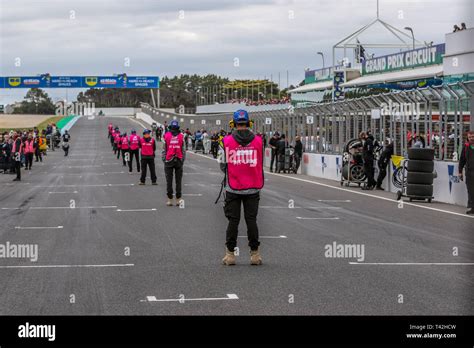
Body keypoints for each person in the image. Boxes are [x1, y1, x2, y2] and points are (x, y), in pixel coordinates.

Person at [219, 109, 264, 266]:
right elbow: (260, 161)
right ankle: (255, 255)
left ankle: (230, 255)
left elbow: (222, 165)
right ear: (249, 122)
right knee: (251, 220)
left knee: (233, 221)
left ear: (234, 123)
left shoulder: (226, 141)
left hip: (233, 187)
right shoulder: (259, 140)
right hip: (253, 186)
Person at [163, 120, 186, 206]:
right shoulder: (180, 135)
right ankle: (177, 199)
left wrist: (165, 160)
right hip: (175, 160)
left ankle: (171, 199)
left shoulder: (167, 135)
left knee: (170, 181)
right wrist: (182, 160)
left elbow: (164, 150)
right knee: (178, 181)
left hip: (171, 160)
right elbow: (184, 150)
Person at [459, 131, 474, 215]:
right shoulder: (466, 146)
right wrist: (460, 172)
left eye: (473, 136)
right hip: (469, 172)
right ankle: (472, 207)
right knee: (470, 190)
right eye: (470, 137)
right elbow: (462, 160)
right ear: (468, 137)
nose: (472, 138)